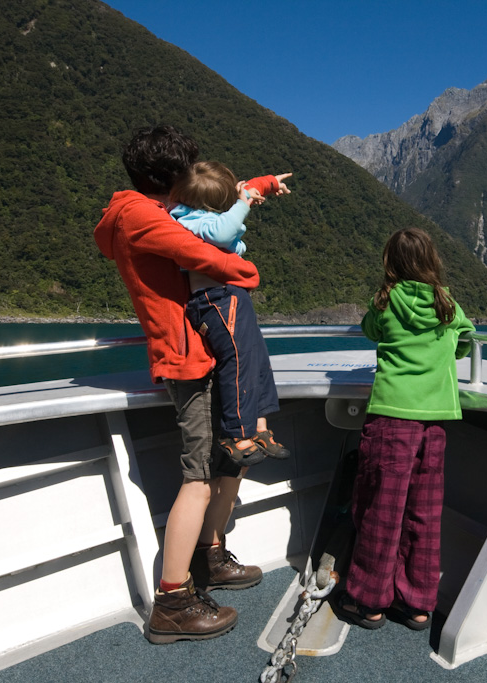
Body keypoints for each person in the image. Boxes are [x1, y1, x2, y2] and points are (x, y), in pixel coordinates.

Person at [94, 124, 284, 644]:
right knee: (198, 474)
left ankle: (211, 555)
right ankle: (173, 602)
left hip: (205, 351)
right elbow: (210, 252)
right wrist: (245, 271)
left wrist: (253, 188)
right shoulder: (139, 216)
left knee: (228, 460)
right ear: (171, 179)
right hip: (187, 359)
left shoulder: (151, 211)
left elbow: (208, 213)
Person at [334, 227, 475, 631]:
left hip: (392, 418)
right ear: (432, 260)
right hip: (435, 421)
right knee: (423, 513)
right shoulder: (447, 303)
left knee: (380, 509)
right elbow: (466, 337)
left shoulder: (385, 300)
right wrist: (447, 349)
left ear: (390, 263)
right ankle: (416, 604)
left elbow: (369, 330)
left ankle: (368, 601)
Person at [168, 160, 292, 466]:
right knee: (237, 360)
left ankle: (259, 427)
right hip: (216, 299)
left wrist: (265, 183)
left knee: (256, 357)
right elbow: (224, 232)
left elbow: (228, 205)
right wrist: (242, 201)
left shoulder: (201, 214)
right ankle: (236, 434)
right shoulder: (188, 220)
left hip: (230, 298)